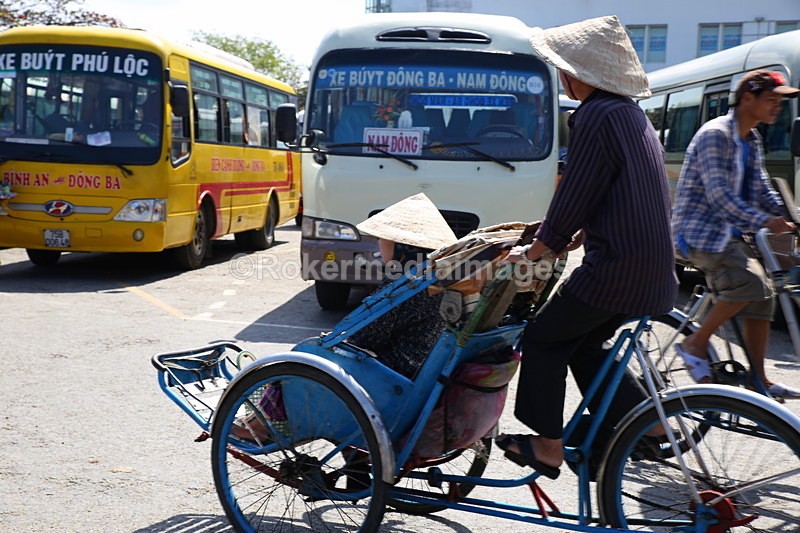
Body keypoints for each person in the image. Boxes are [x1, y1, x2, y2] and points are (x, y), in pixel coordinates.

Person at [496, 15, 678, 479]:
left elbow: (576, 192)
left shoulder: (595, 115)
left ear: (579, 74)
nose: (562, 77)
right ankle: (650, 426)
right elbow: (611, 194)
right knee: (583, 343)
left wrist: (539, 249)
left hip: (616, 269)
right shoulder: (629, 113)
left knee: (540, 338)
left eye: (562, 68)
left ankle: (547, 447)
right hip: (652, 268)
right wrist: (568, 236)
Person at [232, 193, 457, 441]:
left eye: (384, 240)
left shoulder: (403, 285)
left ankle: (262, 425)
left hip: (389, 376)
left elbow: (366, 337)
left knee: (299, 358)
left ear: (403, 246)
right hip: (417, 369)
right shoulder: (435, 278)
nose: (379, 245)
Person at [671, 70, 800, 399]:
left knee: (765, 296)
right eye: (771, 100)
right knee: (749, 283)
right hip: (699, 233)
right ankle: (694, 343)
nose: (777, 107)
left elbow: (761, 189)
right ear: (747, 99)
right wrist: (765, 222)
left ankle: (760, 381)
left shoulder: (751, 139)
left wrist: (790, 216)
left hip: (728, 235)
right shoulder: (716, 134)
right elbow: (720, 197)